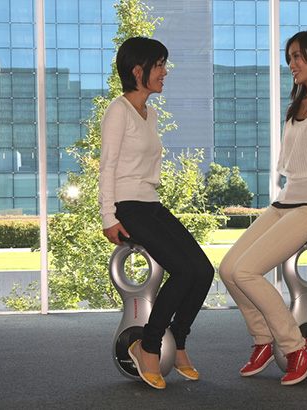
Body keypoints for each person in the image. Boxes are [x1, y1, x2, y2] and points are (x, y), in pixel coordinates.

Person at [219, 30, 307, 386]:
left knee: (247, 270)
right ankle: (263, 339)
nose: (291, 64)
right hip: (286, 199)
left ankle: (297, 348)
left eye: (297, 56)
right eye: (289, 58)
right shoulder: (297, 106)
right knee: (229, 269)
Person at [98, 37, 214, 390]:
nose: (165, 72)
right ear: (138, 70)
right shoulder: (118, 110)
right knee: (183, 271)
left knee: (203, 271)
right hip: (128, 206)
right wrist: (108, 217)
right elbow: (107, 167)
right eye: (159, 65)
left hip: (150, 202)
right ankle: (147, 347)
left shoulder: (150, 114)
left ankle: (177, 343)